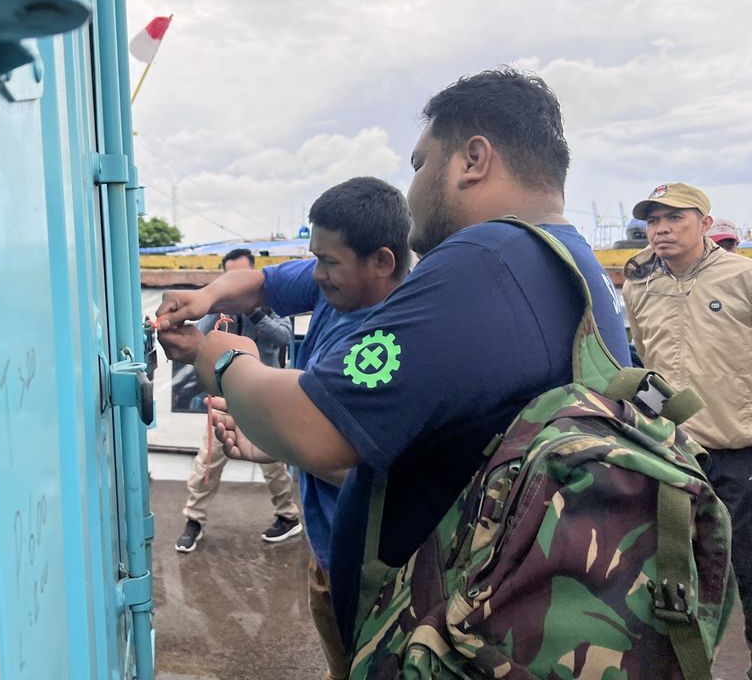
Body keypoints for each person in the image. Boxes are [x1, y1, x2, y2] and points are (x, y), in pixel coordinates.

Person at [157, 68, 632, 654]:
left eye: (418, 163)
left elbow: (318, 430)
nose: (412, 189)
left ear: (472, 159)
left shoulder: (485, 262)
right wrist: (210, 301)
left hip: (449, 632)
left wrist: (224, 357)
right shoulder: (568, 265)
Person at [162, 177, 412, 680]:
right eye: (314, 257)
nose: (316, 274)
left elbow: (366, 472)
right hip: (327, 545)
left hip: (369, 566)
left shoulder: (386, 341)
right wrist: (204, 296)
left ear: (381, 262)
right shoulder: (338, 283)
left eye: (328, 262)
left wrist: (223, 363)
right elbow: (262, 284)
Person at [622, 183, 752, 669]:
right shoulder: (640, 286)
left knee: (747, 572)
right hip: (672, 454)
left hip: (738, 456)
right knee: (675, 575)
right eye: (654, 221)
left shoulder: (742, 276)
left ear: (703, 223)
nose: (662, 229)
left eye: (675, 218)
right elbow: (645, 366)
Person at [173, 248, 301, 553]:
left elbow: (284, 339)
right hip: (225, 400)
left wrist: (256, 312)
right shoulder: (218, 312)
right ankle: (194, 520)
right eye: (229, 276)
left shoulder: (271, 309)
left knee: (274, 467)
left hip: (264, 402)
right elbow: (200, 346)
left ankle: (288, 517)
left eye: (241, 275)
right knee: (207, 462)